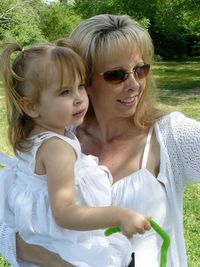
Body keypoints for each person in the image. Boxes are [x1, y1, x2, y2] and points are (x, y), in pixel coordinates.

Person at [0, 13, 200, 267]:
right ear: (84, 77)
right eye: (116, 75)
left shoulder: (171, 136)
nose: (134, 84)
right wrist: (49, 258)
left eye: (141, 69)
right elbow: (7, 223)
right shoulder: (59, 139)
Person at [0, 39, 151, 267]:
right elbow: (65, 213)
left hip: (46, 244)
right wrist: (120, 215)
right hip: (71, 251)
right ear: (31, 106)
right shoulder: (57, 149)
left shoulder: (33, 138)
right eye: (64, 92)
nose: (79, 97)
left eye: (81, 86)